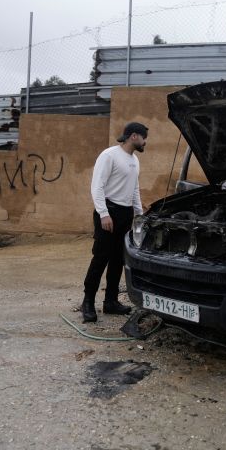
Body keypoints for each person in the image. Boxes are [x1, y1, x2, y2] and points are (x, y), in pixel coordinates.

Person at [81, 122, 148, 322]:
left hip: (126, 215)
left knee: (119, 259)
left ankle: (110, 302)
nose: (146, 142)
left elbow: (134, 189)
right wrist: (103, 213)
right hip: (109, 212)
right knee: (100, 258)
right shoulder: (109, 155)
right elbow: (97, 186)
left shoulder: (135, 160)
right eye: (144, 138)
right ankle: (88, 303)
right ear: (134, 136)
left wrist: (139, 214)